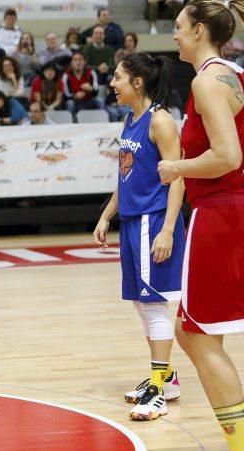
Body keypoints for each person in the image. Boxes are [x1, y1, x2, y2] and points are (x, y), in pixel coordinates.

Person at [157, 0, 244, 451]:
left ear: (199, 32)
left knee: (194, 334)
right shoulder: (232, 74)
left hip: (220, 213)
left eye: (178, 28)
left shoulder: (206, 81)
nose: (175, 35)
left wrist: (178, 168)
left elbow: (226, 155)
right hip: (232, 210)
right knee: (206, 334)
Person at [94, 53, 185, 421]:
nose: (112, 84)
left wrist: (166, 230)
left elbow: (177, 176)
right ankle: (166, 378)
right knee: (139, 303)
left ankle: (159, 390)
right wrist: (105, 216)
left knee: (153, 305)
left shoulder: (160, 120)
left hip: (153, 222)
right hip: (132, 223)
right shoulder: (130, 120)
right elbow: (126, 176)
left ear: (136, 82)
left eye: (117, 77)